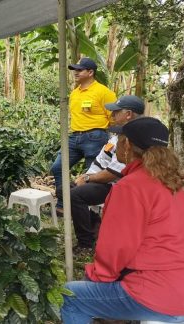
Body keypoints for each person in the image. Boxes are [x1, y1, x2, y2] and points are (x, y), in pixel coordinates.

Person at [61, 117, 184, 323]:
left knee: (71, 296)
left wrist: (97, 276)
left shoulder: (130, 187)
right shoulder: (176, 182)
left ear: (127, 145)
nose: (116, 143)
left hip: (158, 294)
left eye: (119, 138)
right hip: (176, 284)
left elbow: (116, 248)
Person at [70, 95, 143, 252]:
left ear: (129, 114)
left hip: (114, 185)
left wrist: (88, 178)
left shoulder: (133, 138)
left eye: (116, 112)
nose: (112, 115)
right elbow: (103, 160)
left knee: (76, 195)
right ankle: (94, 222)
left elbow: (114, 172)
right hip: (100, 179)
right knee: (66, 189)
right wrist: (86, 177)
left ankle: (85, 243)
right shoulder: (118, 133)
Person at [50, 57, 117, 212]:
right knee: (58, 167)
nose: (76, 73)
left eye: (80, 70)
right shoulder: (75, 93)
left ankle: (89, 211)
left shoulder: (104, 92)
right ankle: (63, 206)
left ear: (90, 72)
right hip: (74, 137)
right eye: (75, 70)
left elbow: (113, 117)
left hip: (95, 137)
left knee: (93, 175)